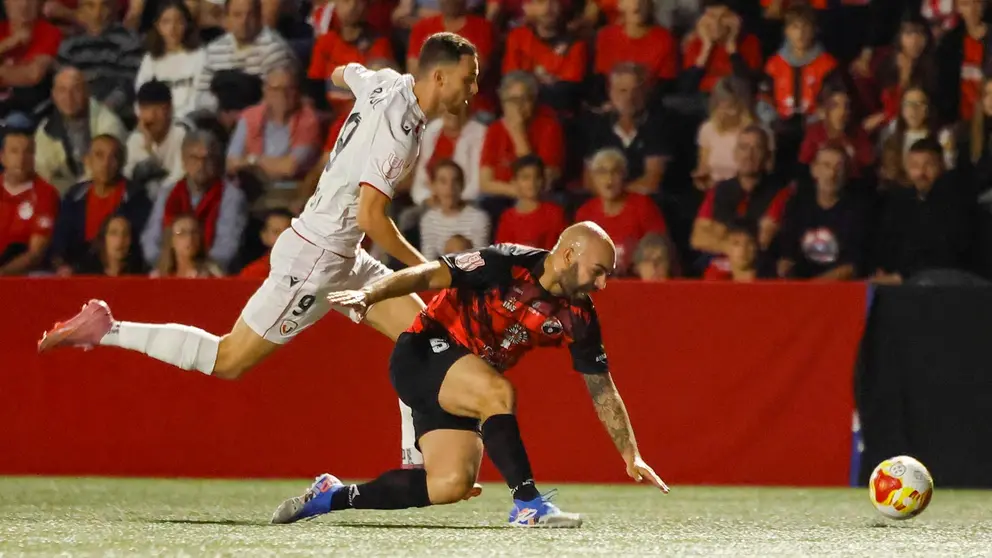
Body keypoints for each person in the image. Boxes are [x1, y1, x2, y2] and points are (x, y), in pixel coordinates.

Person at [38, 32, 481, 475]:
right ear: (439, 77)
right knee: (229, 359)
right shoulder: (398, 131)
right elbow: (370, 217)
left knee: (420, 334)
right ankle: (108, 329)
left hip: (342, 255)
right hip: (317, 261)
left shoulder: (386, 81)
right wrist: (424, 267)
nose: (475, 89)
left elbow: (341, 72)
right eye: (469, 78)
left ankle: (414, 465)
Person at [270, 222, 668, 528]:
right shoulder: (503, 263)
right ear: (567, 255)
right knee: (497, 392)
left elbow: (601, 387)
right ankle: (528, 505)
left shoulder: (579, 315)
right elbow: (428, 275)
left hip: (460, 383)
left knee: (449, 484)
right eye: (598, 271)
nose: (602, 284)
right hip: (424, 352)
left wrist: (630, 454)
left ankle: (331, 496)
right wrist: (371, 293)